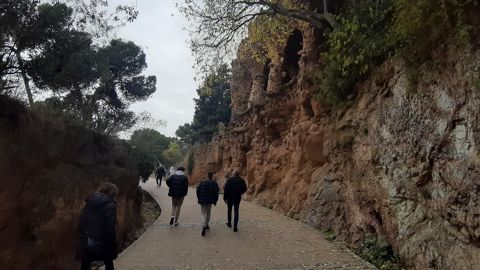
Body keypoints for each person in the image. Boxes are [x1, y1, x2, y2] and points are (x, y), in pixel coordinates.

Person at [75, 182, 118, 270]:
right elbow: (110, 227)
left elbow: (82, 220)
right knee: (108, 262)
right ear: (112, 193)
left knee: (85, 263)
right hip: (103, 239)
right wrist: (114, 241)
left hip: (88, 238)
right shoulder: (110, 205)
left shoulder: (89, 202)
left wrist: (84, 235)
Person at [196, 171, 219, 236]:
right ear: (212, 176)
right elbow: (216, 192)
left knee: (203, 212)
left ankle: (203, 224)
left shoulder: (202, 182)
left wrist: (199, 198)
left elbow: (198, 190)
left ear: (207, 175)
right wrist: (215, 200)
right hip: (210, 200)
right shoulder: (214, 183)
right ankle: (206, 225)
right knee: (208, 212)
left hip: (202, 200)